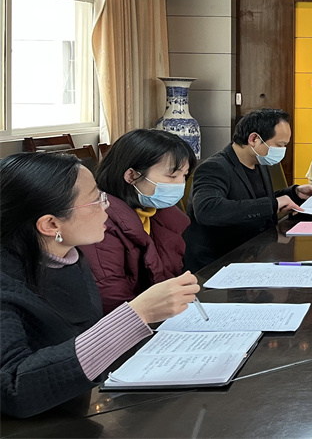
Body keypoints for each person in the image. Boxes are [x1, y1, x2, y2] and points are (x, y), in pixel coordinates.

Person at [0, 153, 199, 418]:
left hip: (75, 407)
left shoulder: (69, 255)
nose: (106, 206)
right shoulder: (7, 281)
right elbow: (13, 388)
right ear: (50, 224)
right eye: (95, 200)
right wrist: (137, 314)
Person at [184, 109, 312, 271]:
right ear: (254, 139)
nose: (282, 150)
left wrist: (294, 193)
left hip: (252, 253)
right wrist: (273, 204)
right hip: (218, 262)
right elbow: (208, 210)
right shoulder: (214, 167)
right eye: (279, 145)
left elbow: (251, 200)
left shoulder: (259, 162)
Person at [78, 129, 197, 314]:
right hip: (126, 322)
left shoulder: (156, 213)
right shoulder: (100, 225)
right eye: (172, 176)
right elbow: (112, 301)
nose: (180, 184)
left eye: (184, 176)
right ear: (132, 175)